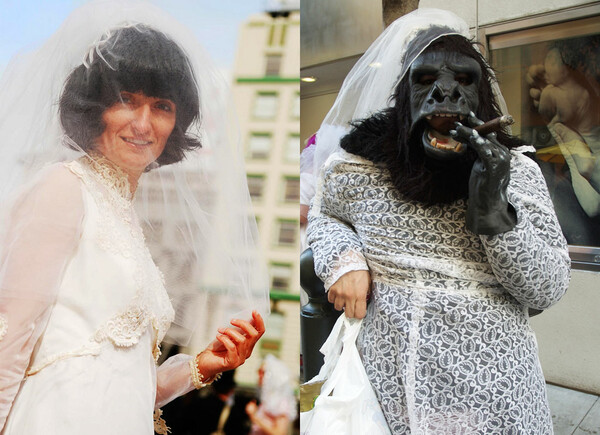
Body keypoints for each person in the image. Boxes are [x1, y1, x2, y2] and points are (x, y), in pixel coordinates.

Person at [0, 2, 269, 434]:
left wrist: (204, 364)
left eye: (161, 106)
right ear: (94, 108)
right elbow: (8, 343)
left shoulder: (120, 213)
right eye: (127, 100)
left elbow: (118, 381)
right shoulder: (63, 188)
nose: (143, 124)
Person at [306, 8, 570, 434]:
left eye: (463, 82)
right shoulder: (359, 166)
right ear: (404, 93)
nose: (445, 95)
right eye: (426, 81)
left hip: (490, 389)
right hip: (387, 382)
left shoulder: (516, 172)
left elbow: (548, 285)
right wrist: (344, 258)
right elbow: (325, 214)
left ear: (481, 97)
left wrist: (494, 210)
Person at [246, 355, 297, 435]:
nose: (259, 375)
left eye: (262, 372)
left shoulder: (281, 401)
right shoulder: (267, 398)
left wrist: (254, 416)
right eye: (258, 372)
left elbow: (280, 433)